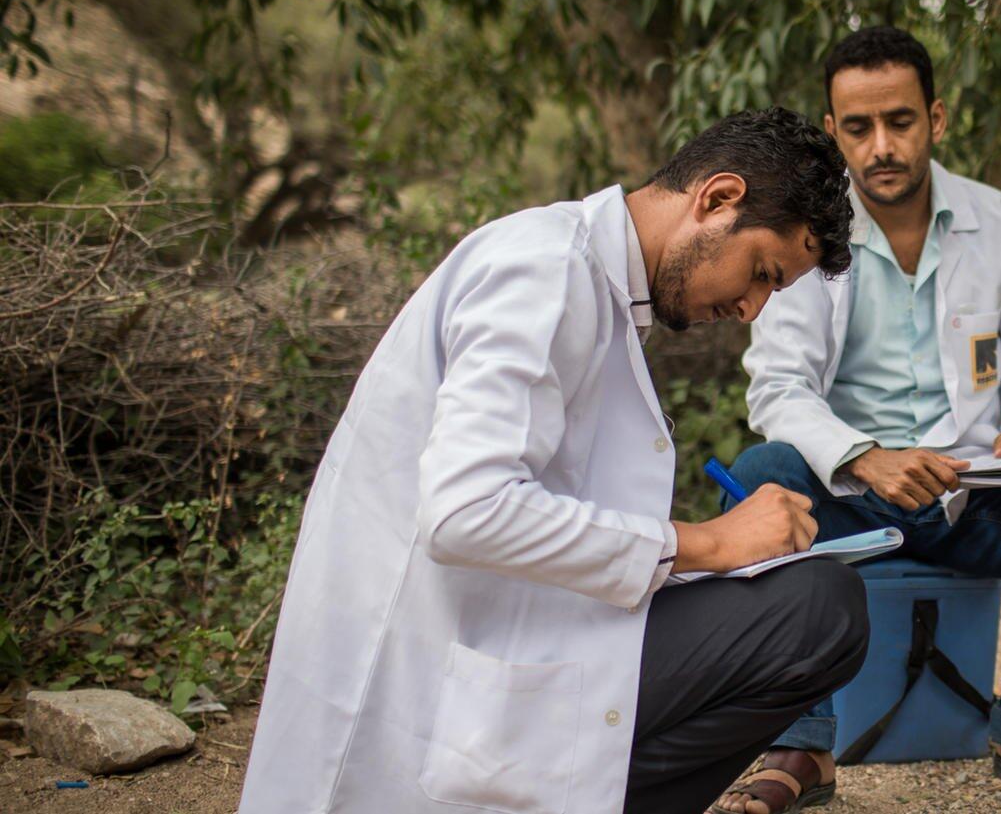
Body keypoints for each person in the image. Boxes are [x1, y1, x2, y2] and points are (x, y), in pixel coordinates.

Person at [238, 108, 867, 814]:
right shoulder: (544, 266)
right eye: (761, 272)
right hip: (436, 666)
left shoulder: (597, 283)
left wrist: (690, 555)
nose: (752, 307)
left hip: (513, 629)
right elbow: (466, 512)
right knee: (814, 611)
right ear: (717, 199)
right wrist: (710, 542)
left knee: (818, 606)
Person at [720, 26, 1001, 814]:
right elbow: (777, 388)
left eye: (900, 121)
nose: (881, 145)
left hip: (971, 489)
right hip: (850, 494)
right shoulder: (803, 239)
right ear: (832, 133)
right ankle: (801, 739)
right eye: (858, 127)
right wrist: (862, 457)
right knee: (759, 477)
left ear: (937, 117)